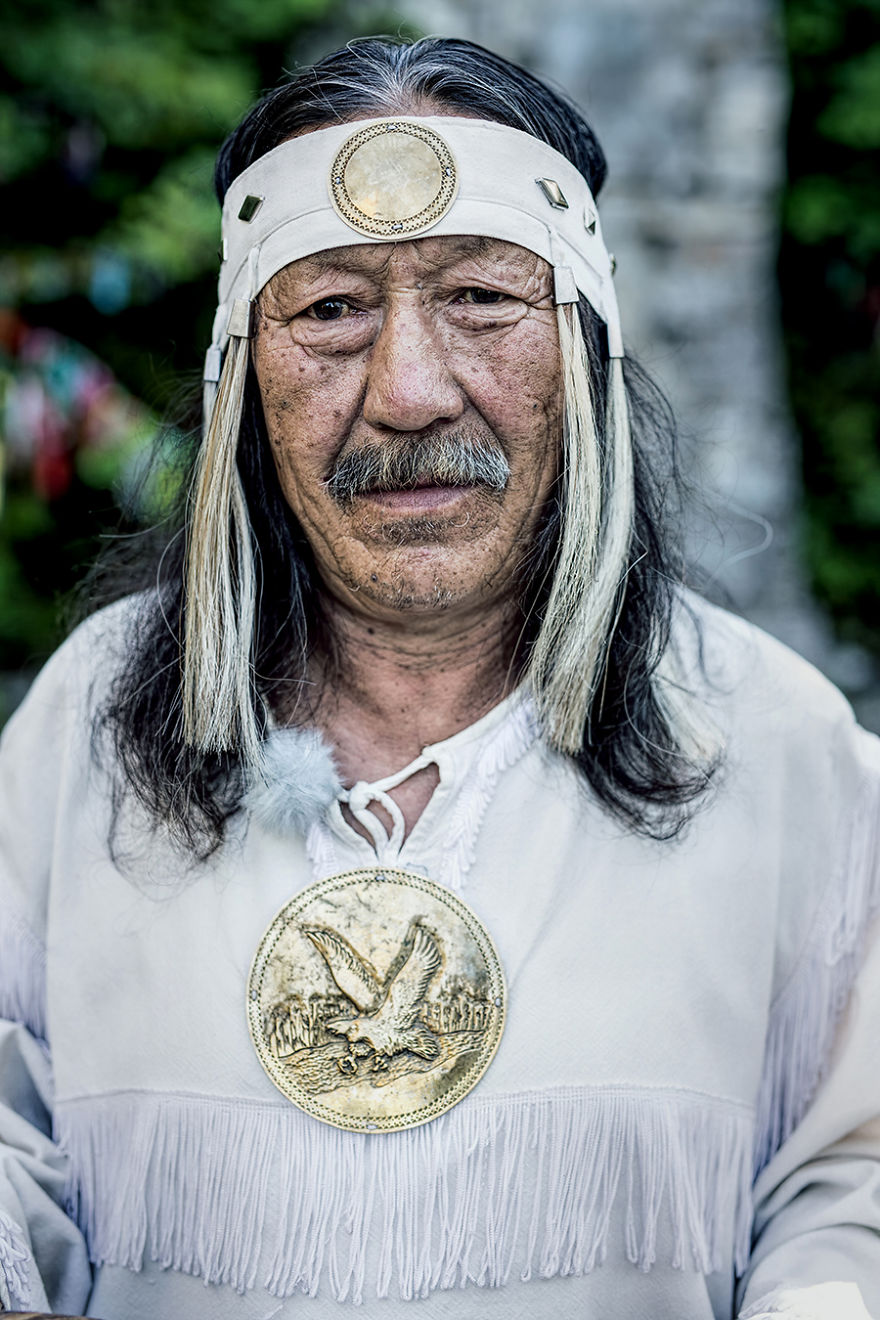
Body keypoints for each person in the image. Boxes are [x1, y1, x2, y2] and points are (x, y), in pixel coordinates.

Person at [0, 35, 878, 1320]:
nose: (408, 393)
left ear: (580, 348)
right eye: (330, 310)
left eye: (479, 297)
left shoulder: (777, 745)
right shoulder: (85, 729)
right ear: (244, 374)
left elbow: (850, 1180)